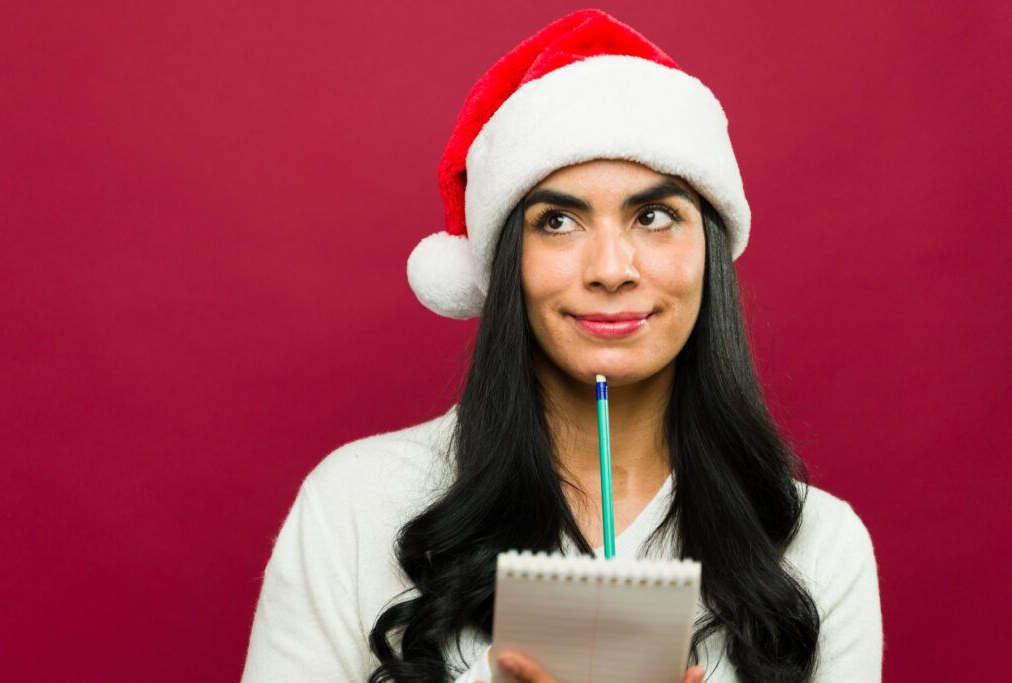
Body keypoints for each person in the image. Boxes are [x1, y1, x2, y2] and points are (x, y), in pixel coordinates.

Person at [242, 9, 882, 683]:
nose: (610, 267)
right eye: (557, 220)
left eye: (655, 215)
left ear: (710, 254)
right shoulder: (354, 505)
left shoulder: (820, 547)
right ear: (507, 260)